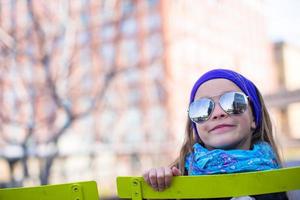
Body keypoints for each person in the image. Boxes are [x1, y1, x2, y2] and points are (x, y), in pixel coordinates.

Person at [143, 69, 288, 200]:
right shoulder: (176, 179)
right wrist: (158, 188)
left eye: (233, 101)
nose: (218, 113)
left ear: (254, 118)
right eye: (202, 108)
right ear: (196, 127)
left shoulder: (277, 177)